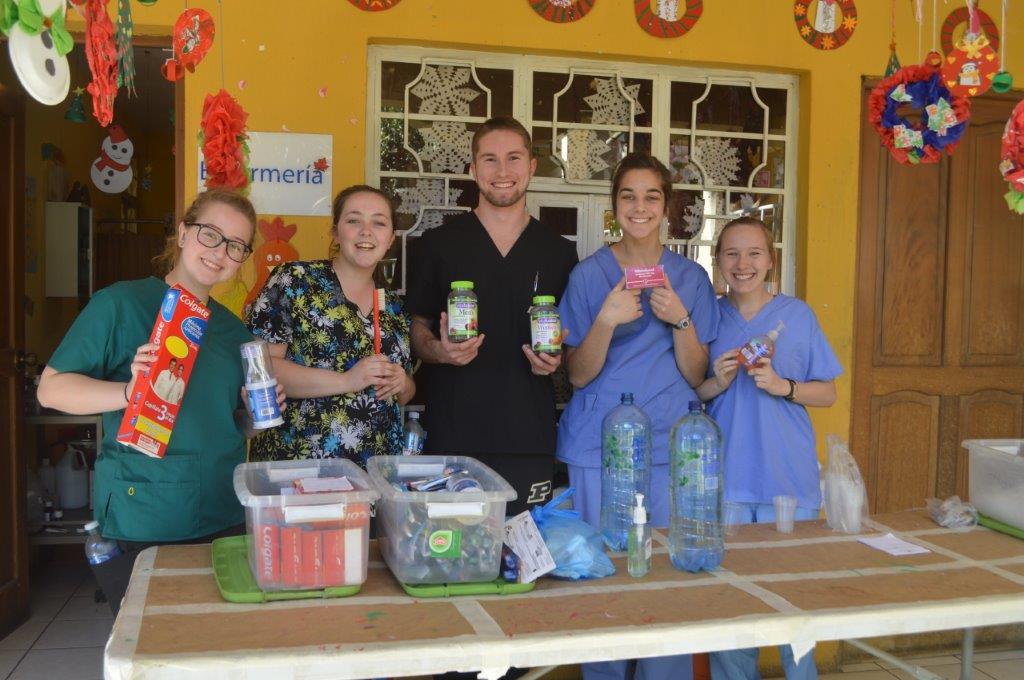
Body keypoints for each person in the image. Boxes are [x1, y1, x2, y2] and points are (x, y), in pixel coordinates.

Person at [37, 189, 282, 615]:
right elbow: (51, 389)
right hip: (146, 512)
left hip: (222, 512)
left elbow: (226, 423)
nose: (220, 252)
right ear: (183, 233)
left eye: (236, 245)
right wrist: (127, 392)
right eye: (211, 234)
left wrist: (254, 423)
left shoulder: (232, 332)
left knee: (213, 646)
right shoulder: (121, 304)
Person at [558, 151, 718, 680]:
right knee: (601, 576)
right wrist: (605, 319)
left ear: (667, 207)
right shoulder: (589, 277)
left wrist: (681, 319)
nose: (640, 206)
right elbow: (577, 375)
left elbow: (698, 374)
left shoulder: (690, 278)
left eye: (652, 196)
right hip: (597, 446)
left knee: (664, 583)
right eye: (628, 195)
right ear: (614, 206)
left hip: (670, 445)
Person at [406, 116, 578, 516]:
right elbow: (417, 328)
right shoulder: (439, 244)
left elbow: (570, 344)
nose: (503, 172)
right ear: (473, 169)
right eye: (490, 159)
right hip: (452, 433)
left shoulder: (558, 251)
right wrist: (439, 351)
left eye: (514, 158)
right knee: (452, 559)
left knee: (521, 562)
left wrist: (556, 362)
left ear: (532, 167)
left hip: (528, 436)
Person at [695, 217, 841, 680]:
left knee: (794, 611)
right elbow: (693, 391)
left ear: (770, 259)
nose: (743, 264)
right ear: (718, 262)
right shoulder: (710, 317)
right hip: (726, 482)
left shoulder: (796, 316)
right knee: (732, 610)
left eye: (754, 253)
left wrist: (784, 386)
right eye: (732, 254)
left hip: (786, 482)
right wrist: (714, 381)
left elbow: (828, 392)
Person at [246, 185, 415, 464]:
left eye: (379, 222)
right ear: (336, 232)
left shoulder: (393, 307)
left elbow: (406, 392)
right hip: (300, 466)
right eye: (353, 220)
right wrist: (346, 381)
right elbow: (262, 370)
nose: (366, 231)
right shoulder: (295, 280)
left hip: (376, 470)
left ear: (390, 239)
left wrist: (402, 383)